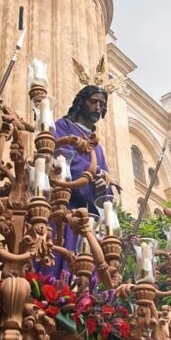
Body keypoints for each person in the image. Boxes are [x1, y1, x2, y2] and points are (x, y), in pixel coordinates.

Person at [40, 85, 115, 276]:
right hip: (61, 207)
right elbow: (61, 159)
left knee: (82, 271)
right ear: (82, 102)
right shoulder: (62, 127)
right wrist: (94, 174)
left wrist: (103, 186)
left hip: (86, 219)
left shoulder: (97, 147)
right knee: (54, 262)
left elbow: (106, 188)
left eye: (102, 104)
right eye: (94, 101)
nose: (98, 107)